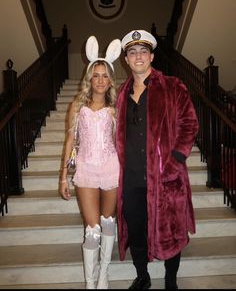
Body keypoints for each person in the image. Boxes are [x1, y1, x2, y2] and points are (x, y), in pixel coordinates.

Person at [115, 29, 199, 289]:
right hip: (131, 179)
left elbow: (189, 124)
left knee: (171, 230)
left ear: (151, 56)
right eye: (132, 52)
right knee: (137, 230)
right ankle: (143, 277)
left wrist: (175, 160)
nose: (138, 56)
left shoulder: (173, 86)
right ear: (126, 60)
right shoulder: (120, 94)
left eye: (143, 51)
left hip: (165, 177)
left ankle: (171, 280)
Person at [59, 35, 121, 289]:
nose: (100, 81)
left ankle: (104, 274)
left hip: (111, 168)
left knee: (108, 223)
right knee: (92, 229)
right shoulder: (77, 106)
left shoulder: (116, 108)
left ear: (110, 80)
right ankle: (89, 282)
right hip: (85, 169)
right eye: (96, 75)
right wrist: (63, 176)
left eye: (105, 76)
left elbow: (121, 142)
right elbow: (70, 141)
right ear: (89, 78)